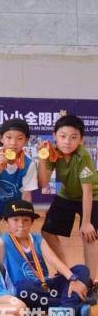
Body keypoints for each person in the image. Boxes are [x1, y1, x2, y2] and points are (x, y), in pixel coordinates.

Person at [0, 199, 92, 316]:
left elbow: (53, 259)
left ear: (32, 222)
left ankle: (65, 309)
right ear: (6, 223)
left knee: (81, 269)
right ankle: (74, 307)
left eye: (26, 220)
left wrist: (73, 278)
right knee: (22, 289)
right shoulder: (3, 242)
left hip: (44, 285)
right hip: (22, 291)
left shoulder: (38, 239)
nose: (21, 224)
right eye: (15, 220)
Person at [37, 114, 98, 294]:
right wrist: (42, 158)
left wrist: (86, 223)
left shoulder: (83, 156)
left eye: (73, 137)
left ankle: (90, 282)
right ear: (54, 136)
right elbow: (43, 183)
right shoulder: (52, 152)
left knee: (89, 234)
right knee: (47, 231)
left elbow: (87, 191)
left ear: (81, 139)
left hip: (93, 196)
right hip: (67, 195)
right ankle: (67, 273)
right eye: (63, 136)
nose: (67, 142)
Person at [0, 118, 38, 243]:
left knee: (17, 231)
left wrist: (26, 216)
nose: (13, 143)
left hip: (14, 201)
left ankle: (14, 251)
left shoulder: (29, 164)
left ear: (26, 140)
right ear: (1, 138)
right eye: (9, 137)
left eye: (19, 138)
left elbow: (26, 194)